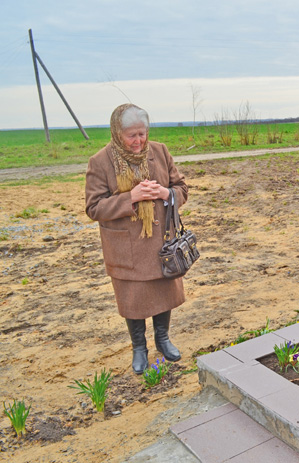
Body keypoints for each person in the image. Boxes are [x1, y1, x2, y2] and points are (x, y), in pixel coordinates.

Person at [85, 104, 188, 374]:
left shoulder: (160, 151)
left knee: (163, 291)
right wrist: (130, 197)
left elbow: (181, 188)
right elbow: (93, 208)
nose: (138, 141)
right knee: (133, 299)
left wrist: (166, 194)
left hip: (160, 242)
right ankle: (139, 347)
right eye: (132, 135)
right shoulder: (100, 161)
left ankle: (163, 340)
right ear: (118, 133)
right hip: (125, 247)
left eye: (142, 134)